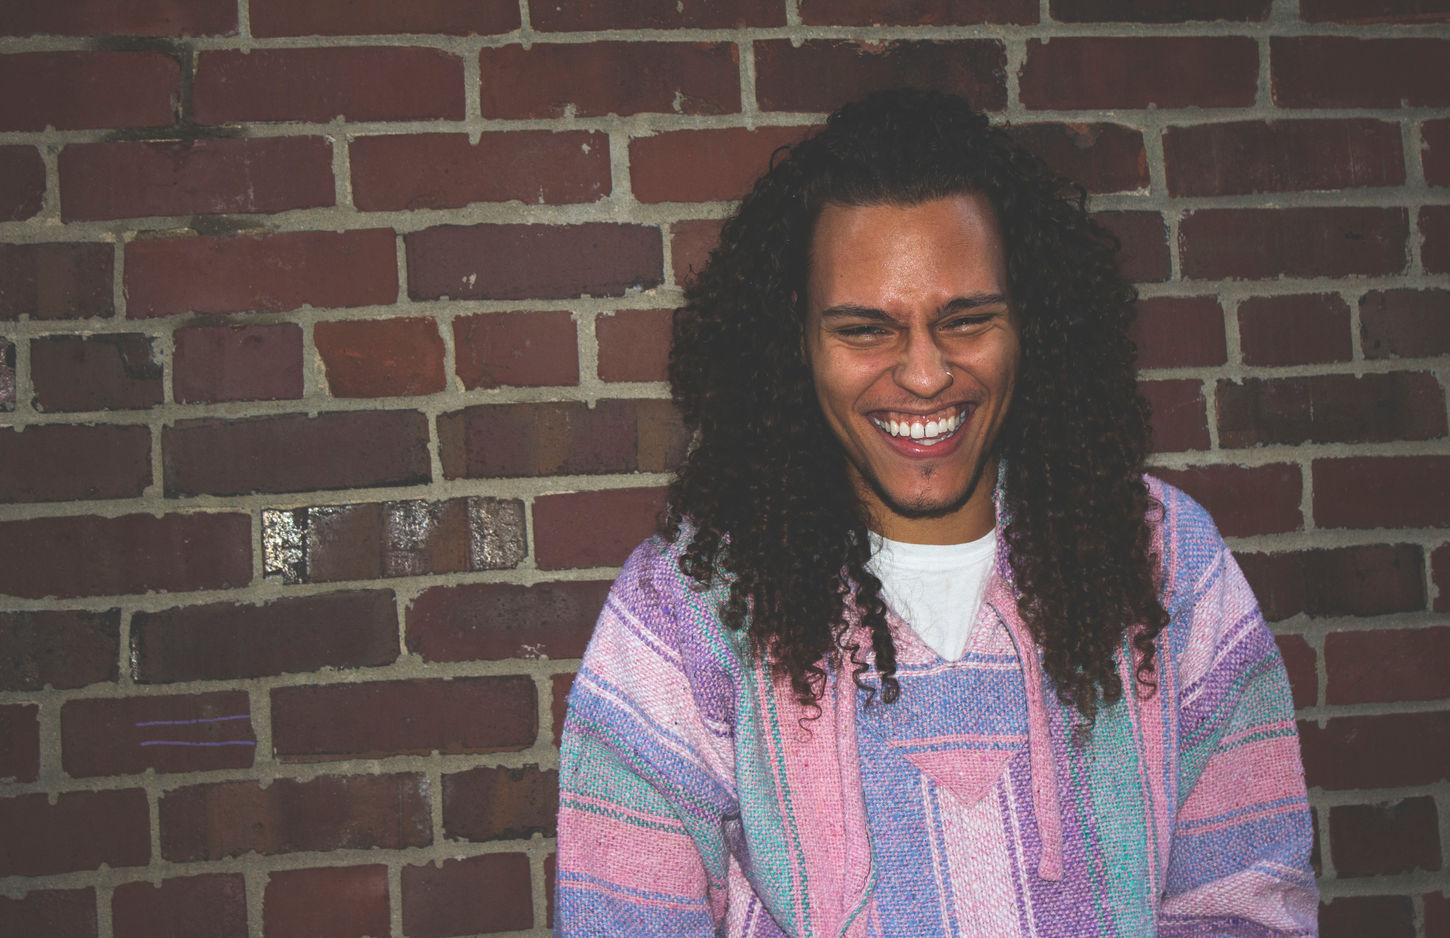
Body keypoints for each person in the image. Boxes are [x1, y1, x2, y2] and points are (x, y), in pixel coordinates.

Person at [554, 89, 1318, 937]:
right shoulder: (688, 609)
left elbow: (1250, 902)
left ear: (1029, 324)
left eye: (967, 320)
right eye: (864, 330)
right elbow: (619, 919)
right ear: (796, 341)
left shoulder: (1164, 564)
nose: (924, 375)